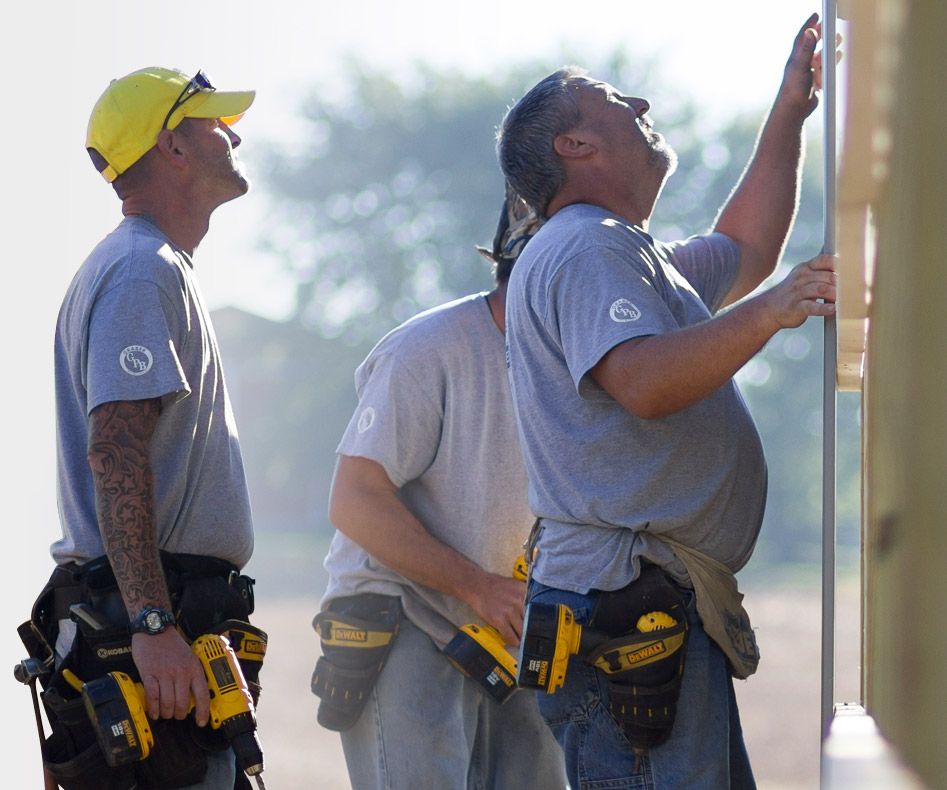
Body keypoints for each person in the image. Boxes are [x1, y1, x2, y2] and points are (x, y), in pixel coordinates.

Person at [496, 14, 837, 789]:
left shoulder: (623, 250)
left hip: (645, 604)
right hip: (628, 607)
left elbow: (746, 249)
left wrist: (788, 113)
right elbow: (643, 383)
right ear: (573, 147)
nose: (641, 101)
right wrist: (773, 309)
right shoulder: (586, 243)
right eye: (615, 98)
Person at [26, 67, 262, 789]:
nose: (234, 133)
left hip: (168, 623)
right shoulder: (139, 271)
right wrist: (154, 627)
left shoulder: (156, 266)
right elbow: (116, 452)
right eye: (215, 122)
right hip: (152, 633)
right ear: (174, 147)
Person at [312, 189, 567, 789]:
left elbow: (737, 256)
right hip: (408, 615)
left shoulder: (575, 358)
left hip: (511, 622)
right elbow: (353, 499)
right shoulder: (428, 349)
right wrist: (478, 587)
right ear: (532, 263)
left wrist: (792, 110)